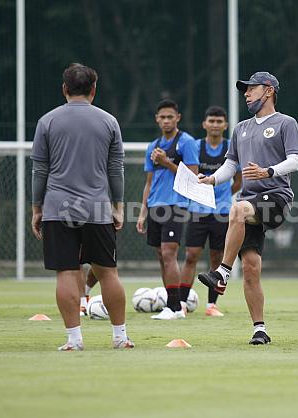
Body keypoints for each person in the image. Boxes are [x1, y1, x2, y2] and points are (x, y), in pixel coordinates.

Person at [31, 63, 133, 351]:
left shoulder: (47, 121)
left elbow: (40, 170)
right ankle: (120, 337)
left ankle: (74, 340)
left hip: (57, 208)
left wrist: (37, 209)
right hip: (98, 208)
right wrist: (118, 205)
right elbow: (116, 169)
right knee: (107, 272)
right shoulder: (109, 121)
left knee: (66, 272)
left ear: (64, 89)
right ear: (93, 90)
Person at [198, 71, 298, 345]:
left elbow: (294, 161)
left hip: (277, 197)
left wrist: (268, 172)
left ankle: (221, 272)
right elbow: (231, 166)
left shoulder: (285, 123)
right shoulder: (241, 128)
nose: (246, 93)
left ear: (268, 90)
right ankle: (260, 329)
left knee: (237, 209)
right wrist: (210, 179)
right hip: (251, 205)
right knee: (251, 267)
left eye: (251, 89)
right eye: (244, 90)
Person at [136, 99, 199, 320]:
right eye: (162, 117)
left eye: (170, 117)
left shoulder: (187, 143)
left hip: (176, 204)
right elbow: (149, 183)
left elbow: (193, 177)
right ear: (156, 119)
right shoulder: (153, 146)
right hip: (155, 206)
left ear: (177, 118)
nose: (166, 120)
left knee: (168, 253)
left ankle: (174, 307)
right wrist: (143, 212)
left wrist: (167, 162)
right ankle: (172, 305)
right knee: (161, 257)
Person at [181, 106, 242, 317]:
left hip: (222, 211)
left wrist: (223, 195)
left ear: (225, 125)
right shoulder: (195, 147)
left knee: (217, 256)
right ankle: (181, 302)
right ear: (204, 124)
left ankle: (211, 305)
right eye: (212, 121)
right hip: (197, 210)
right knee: (191, 256)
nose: (215, 125)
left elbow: (239, 180)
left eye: (219, 122)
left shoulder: (231, 148)